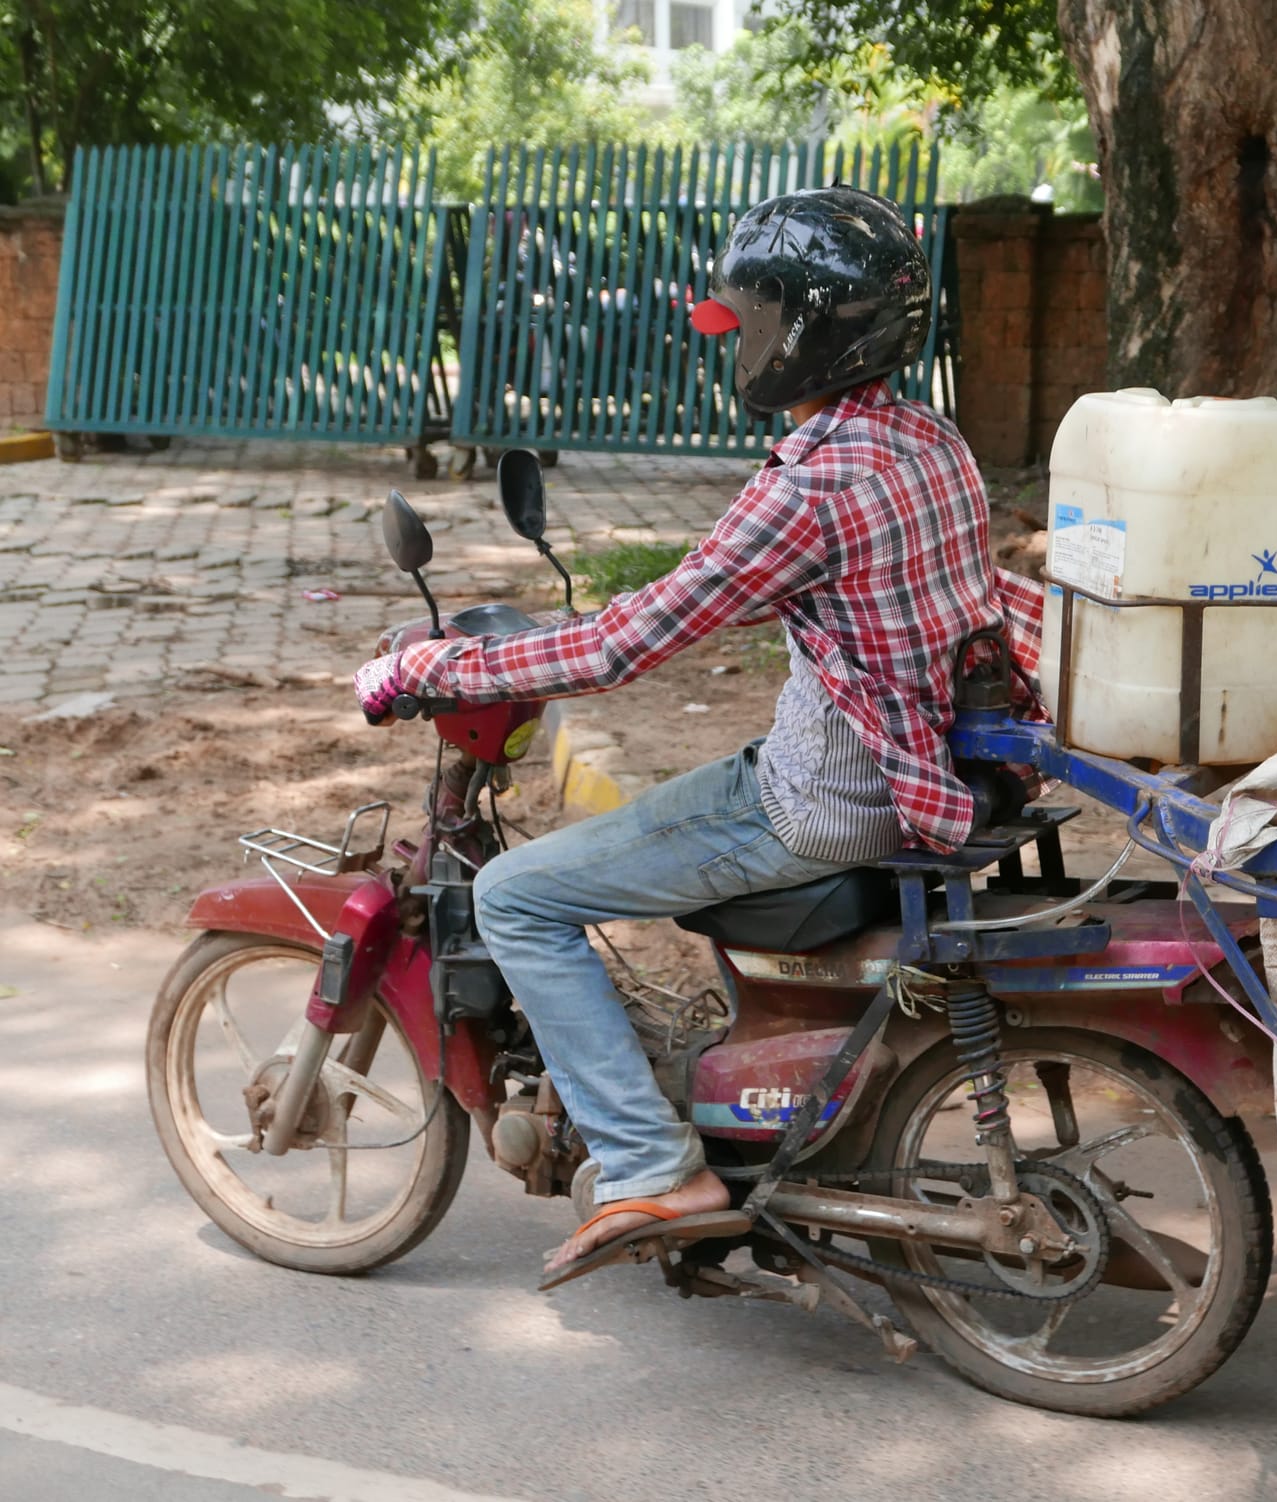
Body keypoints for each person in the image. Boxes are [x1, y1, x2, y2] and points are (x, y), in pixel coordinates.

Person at [352, 186, 1042, 1286]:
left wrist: (438, 665)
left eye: (759, 319)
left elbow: (624, 644)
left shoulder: (813, 482)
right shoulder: (926, 440)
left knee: (517, 894)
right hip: (927, 763)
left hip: (825, 798)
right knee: (662, 812)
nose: (746, 343)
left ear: (809, 328)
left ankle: (646, 1163)